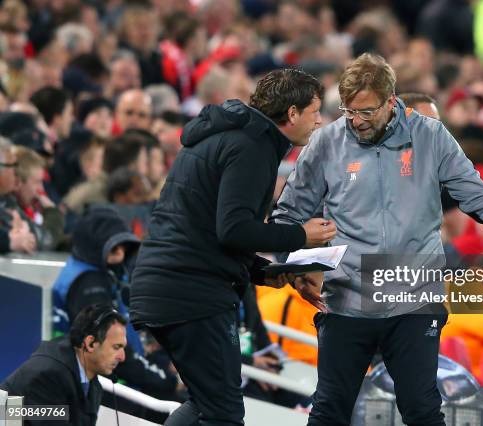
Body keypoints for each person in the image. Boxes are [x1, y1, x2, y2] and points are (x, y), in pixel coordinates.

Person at [271, 53, 483, 426]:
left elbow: (475, 192)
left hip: (413, 299)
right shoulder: (325, 143)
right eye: (350, 111)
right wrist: (294, 266)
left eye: (366, 112)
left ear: (390, 101)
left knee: (421, 409)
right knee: (329, 411)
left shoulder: (430, 136)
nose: (356, 121)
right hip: (348, 299)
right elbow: (288, 214)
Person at [129, 68, 337, 425]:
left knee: (209, 406)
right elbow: (235, 228)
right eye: (314, 111)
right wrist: (301, 236)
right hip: (190, 292)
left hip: (171, 283)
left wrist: (262, 271)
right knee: (221, 412)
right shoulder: (251, 146)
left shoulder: (233, 138)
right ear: (291, 113)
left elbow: (210, 229)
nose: (318, 121)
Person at [52, 207, 179, 402]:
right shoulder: (89, 285)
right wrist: (169, 381)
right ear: (94, 245)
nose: (120, 252)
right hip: (102, 387)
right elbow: (110, 351)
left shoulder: (93, 270)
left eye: (124, 245)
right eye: (113, 246)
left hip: (110, 375)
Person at [0, 305, 127, 426]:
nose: (122, 357)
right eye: (116, 347)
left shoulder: (92, 383)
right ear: (90, 343)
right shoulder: (50, 374)